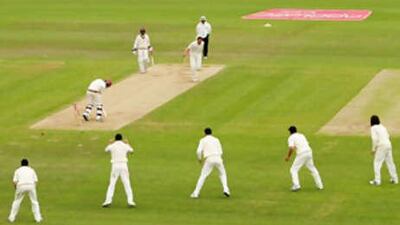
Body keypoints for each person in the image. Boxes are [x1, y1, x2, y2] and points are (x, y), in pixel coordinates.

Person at [191, 127, 230, 198]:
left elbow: (198, 151)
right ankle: (226, 189)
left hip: (209, 158)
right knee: (222, 174)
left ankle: (196, 193)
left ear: (204, 133)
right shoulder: (216, 139)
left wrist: (199, 159)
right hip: (218, 158)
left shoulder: (202, 140)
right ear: (211, 133)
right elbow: (221, 151)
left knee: (203, 176)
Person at [285, 126, 323, 191]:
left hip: (301, 154)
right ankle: (320, 185)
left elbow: (291, 148)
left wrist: (288, 157)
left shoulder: (291, 137)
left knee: (293, 169)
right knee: (312, 168)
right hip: (309, 152)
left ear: (290, 132)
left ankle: (296, 185)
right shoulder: (301, 135)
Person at [103, 133, 136, 208]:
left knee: (112, 184)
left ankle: (107, 201)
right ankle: (130, 201)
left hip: (115, 166)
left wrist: (109, 143)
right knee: (127, 183)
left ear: (115, 138)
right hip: (124, 165)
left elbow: (106, 150)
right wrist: (128, 143)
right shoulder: (125, 145)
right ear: (121, 138)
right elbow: (132, 151)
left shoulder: (112, 145)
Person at [8, 159, 42, 223]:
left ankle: (11, 218)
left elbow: (15, 182)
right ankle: (38, 218)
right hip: (31, 185)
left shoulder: (18, 170)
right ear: (28, 164)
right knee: (34, 202)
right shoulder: (31, 170)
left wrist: (17, 190)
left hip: (21, 185)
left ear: (21, 164)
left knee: (17, 201)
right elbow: (36, 181)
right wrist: (33, 189)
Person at [369, 115, 398, 186]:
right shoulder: (382, 126)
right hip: (388, 144)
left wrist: (373, 149)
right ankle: (395, 179)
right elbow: (388, 136)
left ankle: (377, 181)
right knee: (390, 162)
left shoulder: (373, 128)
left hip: (382, 146)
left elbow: (375, 139)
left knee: (377, 163)